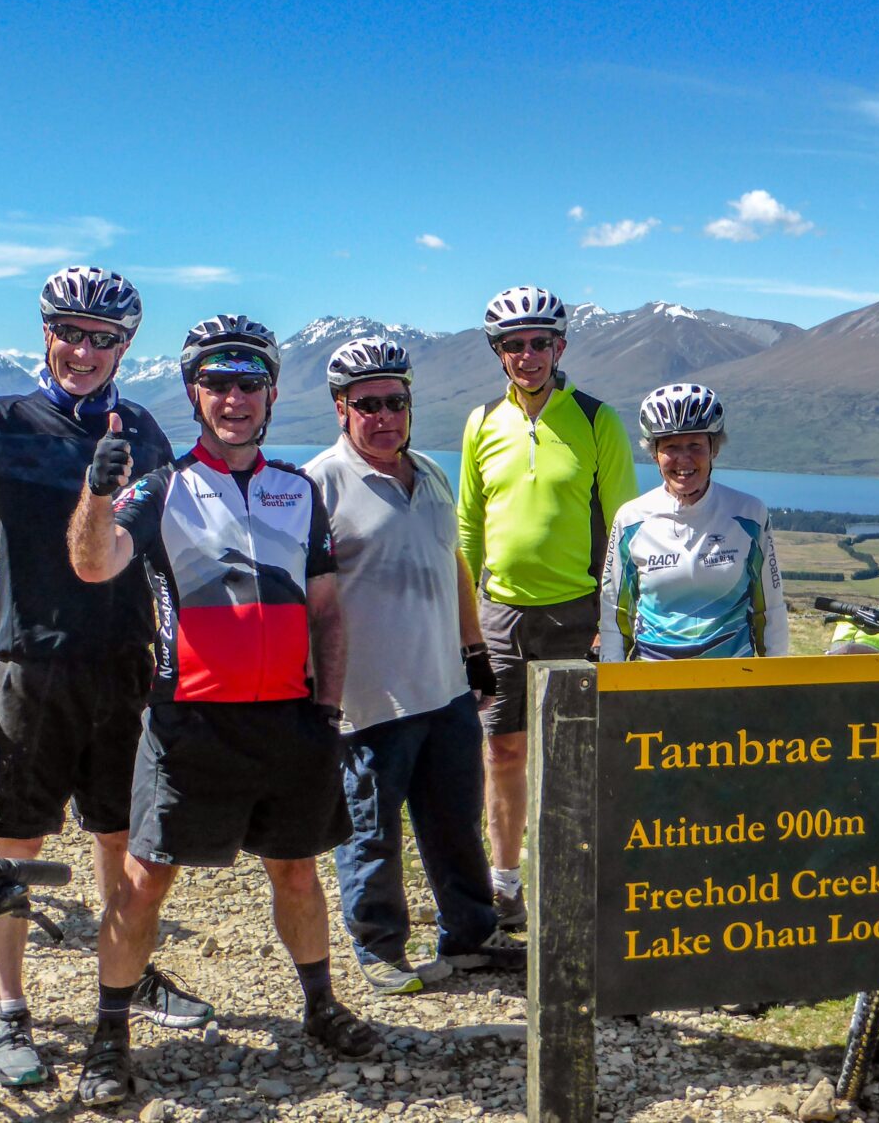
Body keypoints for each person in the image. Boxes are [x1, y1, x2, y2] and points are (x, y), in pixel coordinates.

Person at [0, 268, 210, 1089]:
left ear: (125, 346)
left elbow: (148, 549)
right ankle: (8, 1008)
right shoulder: (5, 421)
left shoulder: (143, 430)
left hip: (122, 662)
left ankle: (128, 979)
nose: (85, 349)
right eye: (70, 331)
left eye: (104, 338)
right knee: (12, 842)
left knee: (119, 836)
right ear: (46, 332)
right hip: (30, 663)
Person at [67, 315, 379, 1106]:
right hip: (190, 721)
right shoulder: (160, 487)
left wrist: (330, 708)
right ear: (192, 392)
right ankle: (109, 1039)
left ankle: (319, 1007)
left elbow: (328, 611)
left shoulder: (297, 491)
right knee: (143, 885)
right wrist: (98, 492)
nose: (233, 398)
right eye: (217, 383)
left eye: (248, 383)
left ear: (271, 393)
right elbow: (93, 563)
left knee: (297, 874)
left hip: (290, 720)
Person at [305, 336, 525, 994]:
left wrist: (475, 652)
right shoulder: (320, 483)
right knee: (370, 831)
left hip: (445, 688)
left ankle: (471, 937)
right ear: (341, 410)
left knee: (456, 825)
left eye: (394, 402)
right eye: (366, 404)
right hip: (369, 698)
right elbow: (304, 597)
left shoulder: (429, 472)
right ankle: (380, 948)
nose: (384, 417)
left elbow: (453, 564)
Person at [456, 286, 635, 929]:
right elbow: (469, 530)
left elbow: (623, 528)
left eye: (539, 343)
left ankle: (571, 883)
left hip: (575, 616)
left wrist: (611, 626)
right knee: (500, 752)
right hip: (500, 615)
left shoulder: (595, 420)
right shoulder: (482, 422)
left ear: (560, 347)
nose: (527, 355)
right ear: (499, 353)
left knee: (571, 756)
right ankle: (506, 887)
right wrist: (466, 624)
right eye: (513, 345)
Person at [599, 383, 789, 662]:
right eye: (671, 447)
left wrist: (777, 681)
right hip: (653, 680)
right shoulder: (631, 520)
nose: (683, 459)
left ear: (715, 449)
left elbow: (769, 608)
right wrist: (612, 683)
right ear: (654, 453)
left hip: (733, 679)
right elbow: (615, 612)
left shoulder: (749, 514)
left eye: (695, 446)